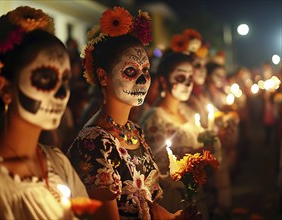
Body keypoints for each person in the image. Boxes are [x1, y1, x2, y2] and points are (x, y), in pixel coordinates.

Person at [67, 7, 191, 219]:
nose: (142, 81)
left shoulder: (133, 131)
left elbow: (147, 205)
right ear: (103, 77)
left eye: (146, 71)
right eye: (131, 71)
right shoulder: (94, 144)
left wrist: (172, 217)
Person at [0, 6, 92, 219]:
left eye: (65, 80)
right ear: (5, 89)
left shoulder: (57, 161)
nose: (62, 93)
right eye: (45, 78)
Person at [140, 49, 210, 217]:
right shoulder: (154, 120)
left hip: (195, 194)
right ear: (164, 81)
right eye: (180, 77)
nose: (187, 83)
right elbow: (155, 167)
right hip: (171, 200)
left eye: (190, 78)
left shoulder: (190, 113)